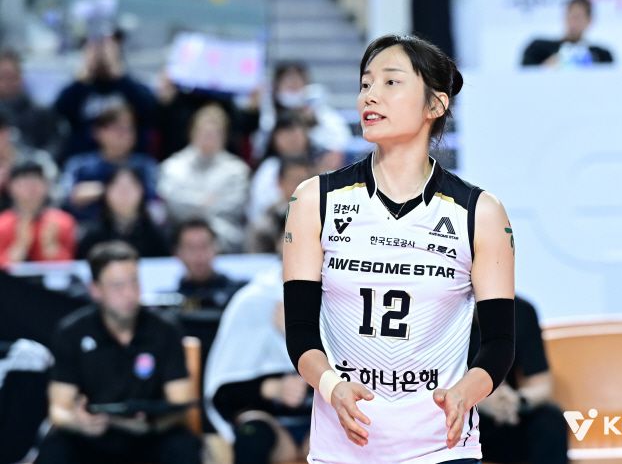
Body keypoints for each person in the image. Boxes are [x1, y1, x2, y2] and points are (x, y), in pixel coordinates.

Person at [283, 34, 516, 463]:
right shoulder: (314, 199)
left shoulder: (480, 211)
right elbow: (300, 333)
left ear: (435, 105)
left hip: (443, 449)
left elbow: (500, 342)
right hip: (343, 450)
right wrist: (333, 387)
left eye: (390, 82)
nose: (370, 96)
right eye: (365, 84)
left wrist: (465, 392)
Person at [35, 241, 201, 464]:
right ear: (95, 289)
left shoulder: (165, 330)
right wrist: (80, 422)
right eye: (117, 286)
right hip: (93, 437)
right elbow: (59, 408)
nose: (129, 293)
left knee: (183, 446)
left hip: (150, 436)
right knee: (55, 447)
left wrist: (153, 424)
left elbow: (180, 403)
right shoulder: (72, 332)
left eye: (134, 282)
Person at [206, 208, 312, 463]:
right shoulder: (252, 301)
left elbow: (367, 375)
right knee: (253, 435)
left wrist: (299, 335)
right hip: (266, 419)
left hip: (327, 414)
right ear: (278, 241)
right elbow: (223, 394)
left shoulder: (346, 296)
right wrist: (271, 388)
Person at [468, 296, 568, 464]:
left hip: (506, 413)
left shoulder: (521, 310)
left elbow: (541, 383)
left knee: (550, 420)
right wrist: (476, 399)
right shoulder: (440, 309)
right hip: (458, 411)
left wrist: (516, 400)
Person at [158, 104, 250, 253]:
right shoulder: (173, 166)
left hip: (224, 235)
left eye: (214, 133)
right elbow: (173, 203)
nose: (208, 138)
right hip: (181, 231)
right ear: (192, 133)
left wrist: (192, 202)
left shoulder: (237, 169)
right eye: (204, 133)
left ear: (224, 136)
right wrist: (204, 201)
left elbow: (235, 205)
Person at [53, 31, 156, 161]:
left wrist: (118, 73)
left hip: (129, 160)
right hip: (85, 157)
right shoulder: (79, 89)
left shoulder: (128, 87)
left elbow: (149, 108)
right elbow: (58, 112)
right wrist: (83, 77)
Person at [60, 104, 158, 223]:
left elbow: (153, 199)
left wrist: (104, 191)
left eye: (128, 129)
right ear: (98, 132)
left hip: (134, 228)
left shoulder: (145, 166)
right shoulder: (79, 165)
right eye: (117, 129)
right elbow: (66, 196)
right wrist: (113, 190)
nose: (123, 135)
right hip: (86, 226)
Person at [77, 166, 169, 259]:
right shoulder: (92, 236)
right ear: (106, 192)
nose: (124, 193)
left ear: (142, 191)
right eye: (118, 187)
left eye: (130, 187)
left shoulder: (156, 235)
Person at [0, 161, 76, 266]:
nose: (31, 189)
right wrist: (20, 245)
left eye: (36, 182)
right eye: (25, 184)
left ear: (46, 186)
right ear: (11, 187)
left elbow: (69, 266)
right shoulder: (2, 224)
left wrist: (50, 246)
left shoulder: (63, 221)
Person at [173, 218, 247, 311]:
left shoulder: (241, 294)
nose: (199, 254)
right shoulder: (169, 302)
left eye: (204, 246)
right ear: (177, 253)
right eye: (191, 248)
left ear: (216, 248)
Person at [0, 49, 62, 155]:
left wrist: (40, 159)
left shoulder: (40, 112)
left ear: (21, 77)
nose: (8, 82)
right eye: (3, 76)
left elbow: (55, 142)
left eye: (12, 76)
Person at [521, 0, 613, 67]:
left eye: (578, 17)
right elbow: (525, 76)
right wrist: (545, 67)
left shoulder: (602, 56)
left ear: (589, 21)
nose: (573, 22)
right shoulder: (538, 49)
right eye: (570, 16)